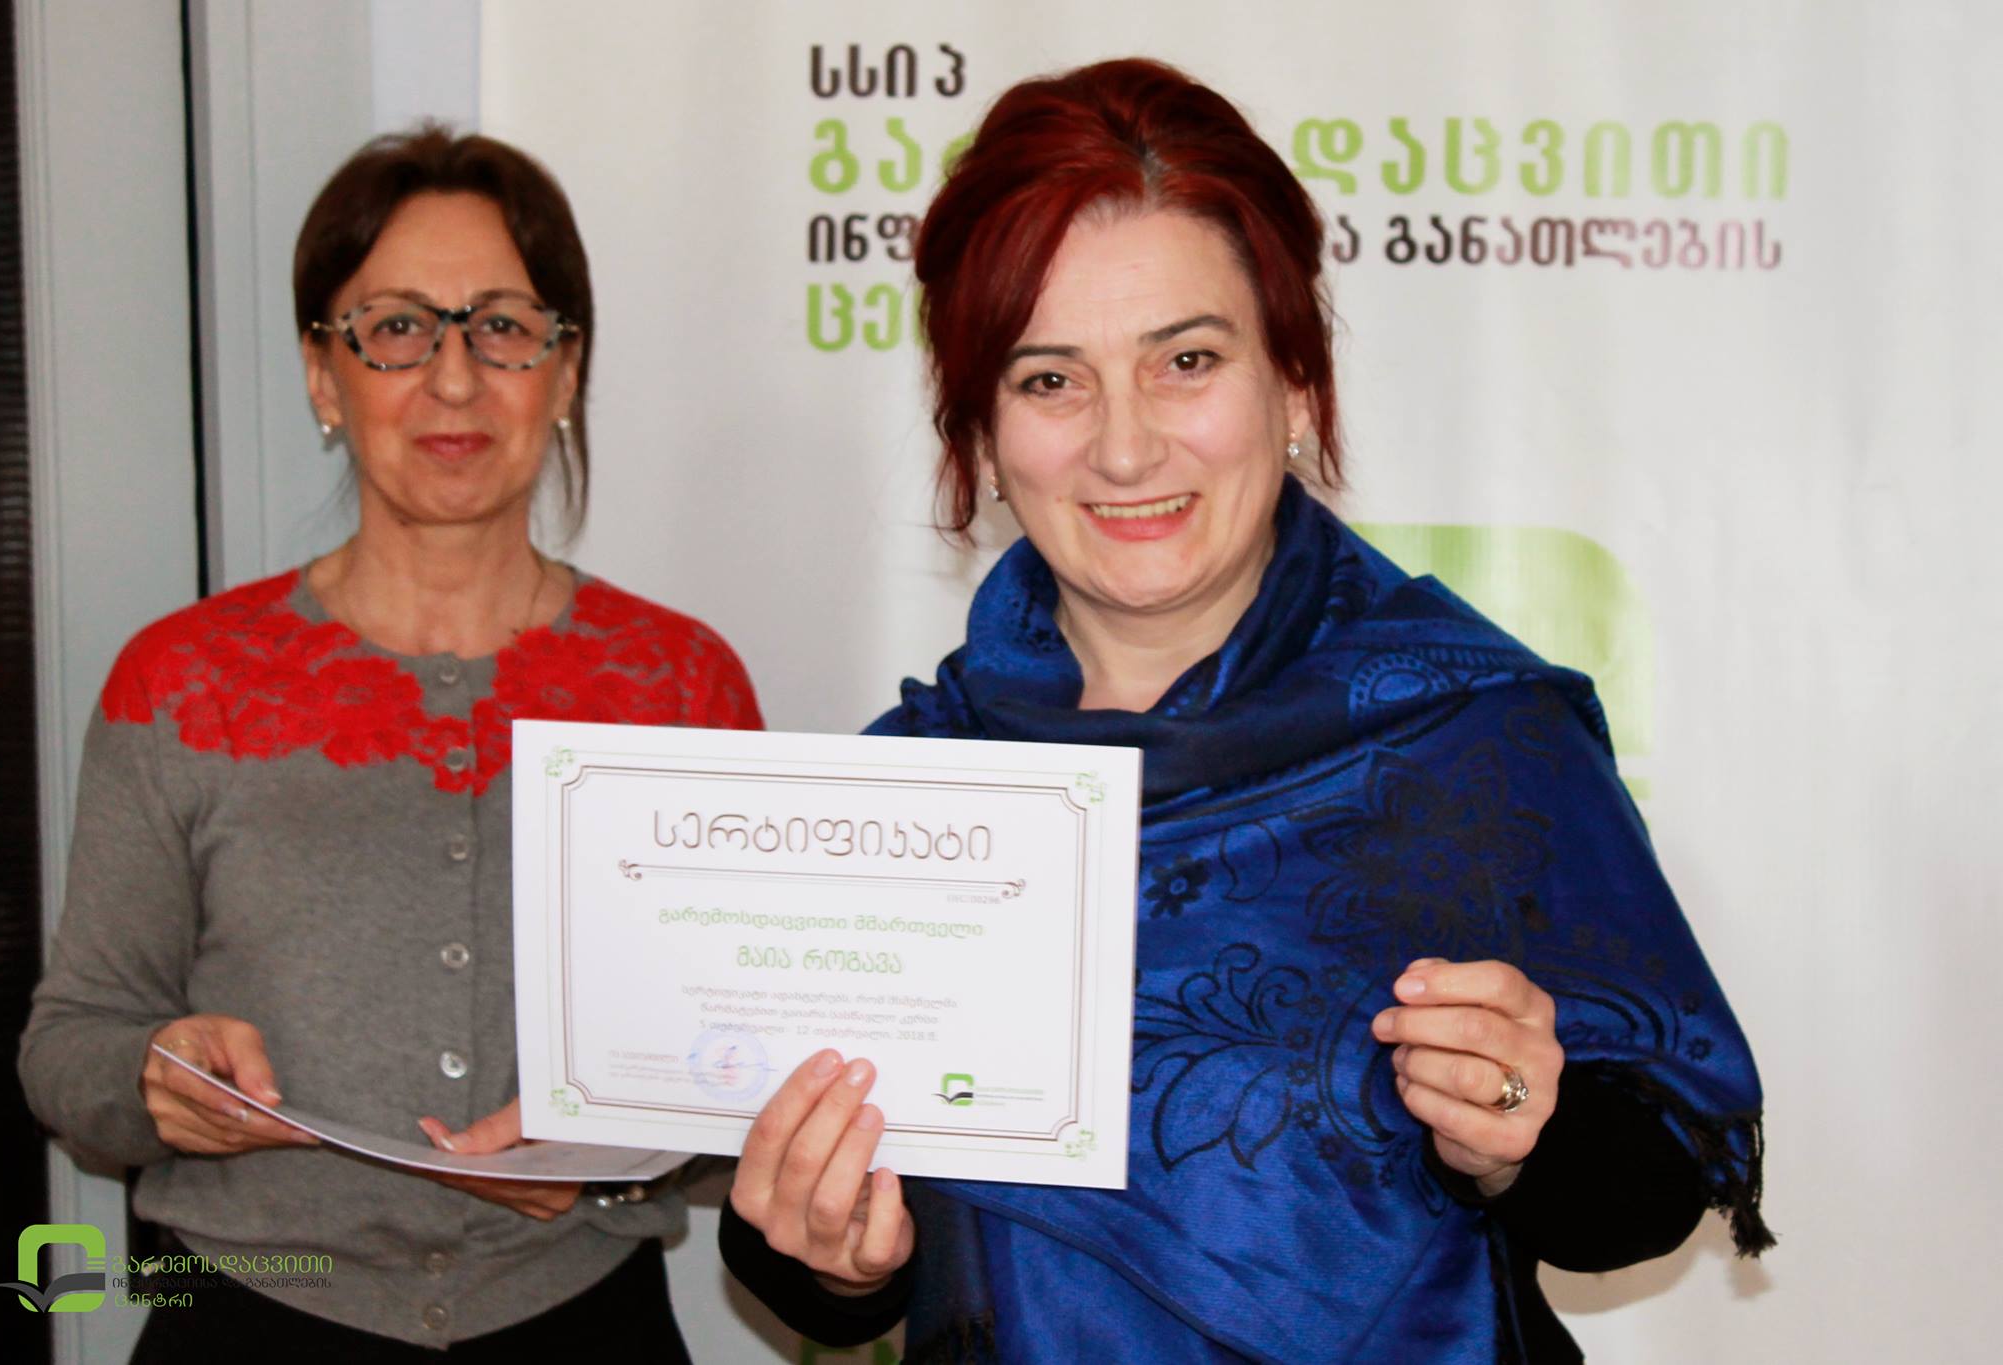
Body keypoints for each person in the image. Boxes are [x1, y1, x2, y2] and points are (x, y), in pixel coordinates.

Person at [719, 59, 1770, 1363]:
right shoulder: (905, 793)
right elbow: (806, 1244)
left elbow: (1648, 1188)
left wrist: (1518, 1134)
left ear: (1297, 388)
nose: (1123, 446)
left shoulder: (1473, 735)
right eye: (1049, 380)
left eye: (1187, 361)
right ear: (982, 434)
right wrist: (830, 1254)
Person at [18, 127, 761, 1360]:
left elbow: (741, 1059)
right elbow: (71, 1044)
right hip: (250, 1320)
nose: (454, 380)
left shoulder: (680, 683)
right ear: (324, 375)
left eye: (503, 327)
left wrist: (613, 1145)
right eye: (398, 328)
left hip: (580, 1323)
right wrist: (153, 1071)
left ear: (565, 373)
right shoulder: (183, 681)